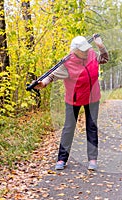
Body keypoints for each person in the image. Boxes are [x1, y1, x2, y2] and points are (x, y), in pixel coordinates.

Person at [34, 34, 109, 170]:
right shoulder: (67, 62)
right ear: (74, 50)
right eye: (83, 50)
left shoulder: (91, 54)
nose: (86, 52)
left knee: (91, 127)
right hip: (74, 99)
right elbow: (52, 75)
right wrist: (43, 83)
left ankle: (92, 159)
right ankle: (62, 159)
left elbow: (104, 59)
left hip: (92, 97)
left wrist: (101, 47)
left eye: (87, 49)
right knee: (69, 127)